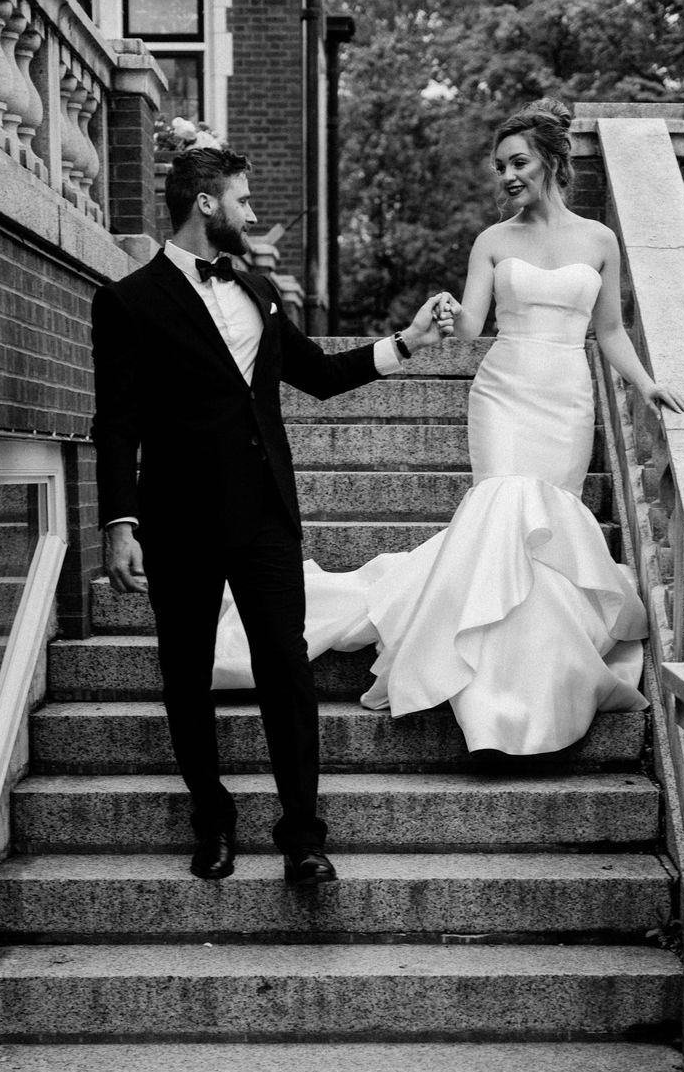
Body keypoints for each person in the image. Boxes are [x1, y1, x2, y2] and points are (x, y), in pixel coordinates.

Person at [213, 98, 684, 758]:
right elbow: (469, 328)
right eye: (499, 166)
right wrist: (438, 313)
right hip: (504, 394)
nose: (506, 176)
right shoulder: (492, 241)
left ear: (551, 161)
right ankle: (488, 700)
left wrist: (646, 383)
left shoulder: (599, 241)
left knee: (545, 537)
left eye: (517, 162)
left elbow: (606, 330)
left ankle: (531, 687)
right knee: (502, 512)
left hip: (565, 398)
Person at [90, 146, 453, 886]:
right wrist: (119, 521)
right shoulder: (128, 302)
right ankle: (212, 819)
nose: (252, 214)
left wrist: (406, 343)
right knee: (186, 676)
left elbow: (316, 374)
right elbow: (117, 422)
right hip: (179, 519)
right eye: (244, 200)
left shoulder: (256, 288)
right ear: (204, 203)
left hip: (264, 514)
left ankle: (302, 836)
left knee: (286, 670)